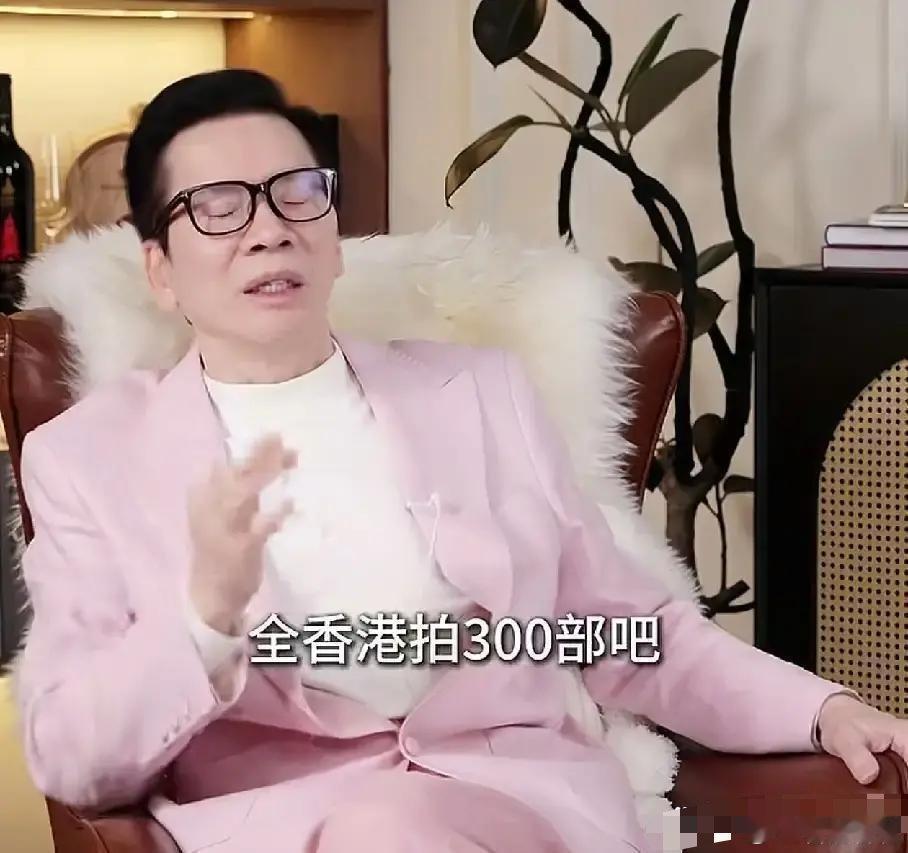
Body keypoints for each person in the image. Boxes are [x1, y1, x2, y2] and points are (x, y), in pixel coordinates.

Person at [12, 69, 907, 853]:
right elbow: (70, 750)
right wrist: (202, 618)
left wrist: (819, 708)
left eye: (298, 192)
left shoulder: (478, 393)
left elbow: (627, 630)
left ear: (333, 231)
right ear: (160, 269)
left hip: (514, 809)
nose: (269, 229)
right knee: (386, 830)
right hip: (291, 826)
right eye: (218, 206)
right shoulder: (89, 460)